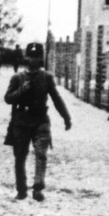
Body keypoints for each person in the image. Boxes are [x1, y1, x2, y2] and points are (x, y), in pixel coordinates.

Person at [4, 42, 72, 201]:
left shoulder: (46, 77)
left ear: (41, 58)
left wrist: (66, 117)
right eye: (30, 56)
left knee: (41, 154)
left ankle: (38, 187)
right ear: (26, 57)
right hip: (21, 122)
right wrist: (22, 90)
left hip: (40, 120)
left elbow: (56, 98)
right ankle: (21, 189)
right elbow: (8, 98)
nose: (33, 60)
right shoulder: (17, 78)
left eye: (36, 56)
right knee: (20, 156)